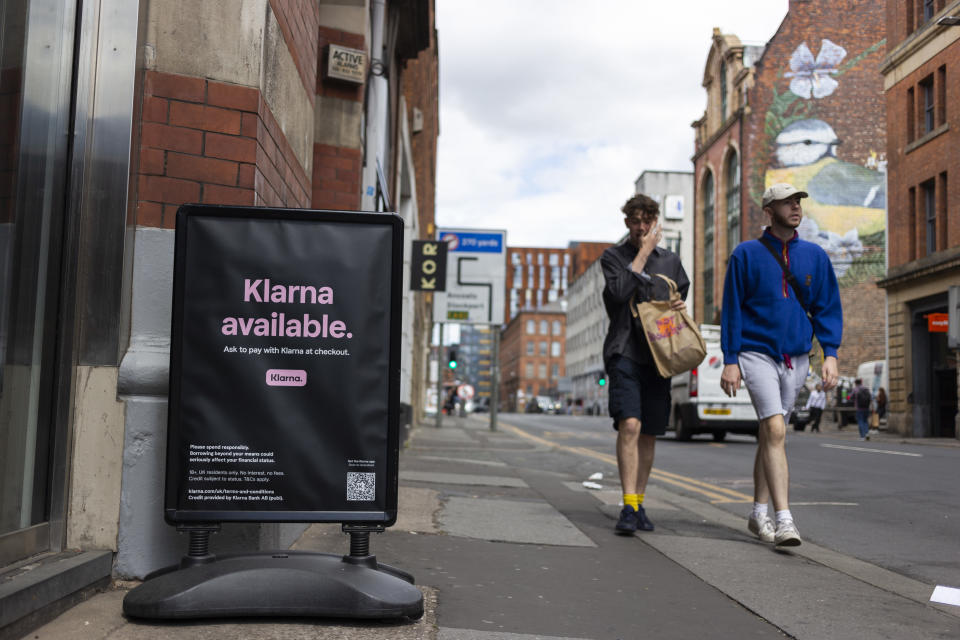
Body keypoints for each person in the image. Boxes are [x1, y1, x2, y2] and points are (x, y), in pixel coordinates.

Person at [720, 183, 842, 547]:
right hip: (756, 353)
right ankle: (784, 519)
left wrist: (830, 354)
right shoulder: (745, 255)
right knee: (775, 430)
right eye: (786, 202)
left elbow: (827, 307)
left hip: (798, 358)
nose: (795, 207)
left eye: (798, 201)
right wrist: (731, 360)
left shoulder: (815, 256)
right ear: (768, 210)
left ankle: (758, 514)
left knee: (771, 434)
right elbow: (732, 310)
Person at [601, 193, 689, 535]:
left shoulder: (671, 261)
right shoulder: (613, 257)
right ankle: (627, 505)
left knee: (650, 432)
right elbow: (620, 293)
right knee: (631, 426)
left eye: (647, 222)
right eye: (635, 222)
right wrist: (641, 254)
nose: (641, 228)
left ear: (655, 222)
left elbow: (678, 298)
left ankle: (639, 502)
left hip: (660, 356)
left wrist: (679, 306)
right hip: (625, 352)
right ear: (627, 223)